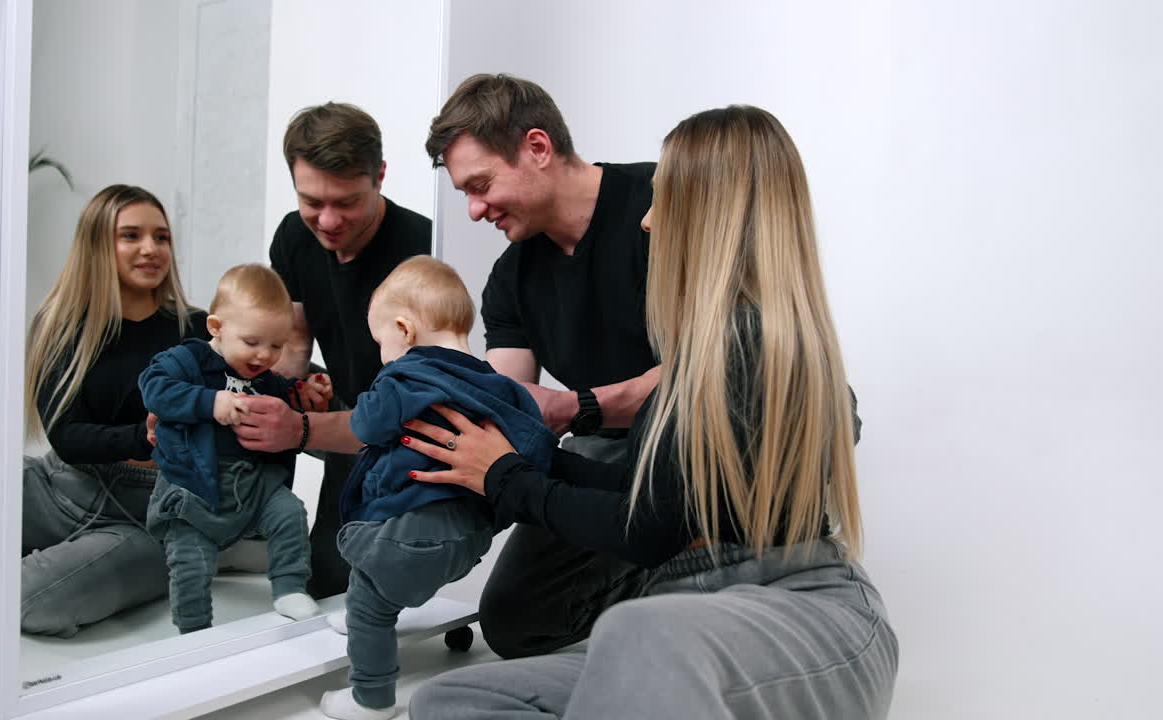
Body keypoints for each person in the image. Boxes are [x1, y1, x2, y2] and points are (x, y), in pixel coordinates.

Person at [405, 106, 898, 719]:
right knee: (450, 698)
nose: (646, 220)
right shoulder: (684, 344)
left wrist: (509, 474)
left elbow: (649, 527)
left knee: (636, 633)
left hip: (791, 598)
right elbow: (653, 494)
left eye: (662, 201)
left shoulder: (754, 341)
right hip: (688, 588)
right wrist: (512, 453)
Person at [423, 73, 660, 658]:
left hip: (709, 439)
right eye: (465, 194)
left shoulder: (664, 205)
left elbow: (723, 365)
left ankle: (703, 562)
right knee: (514, 621)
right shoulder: (511, 280)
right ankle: (675, 575)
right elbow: (509, 399)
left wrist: (582, 407)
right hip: (605, 452)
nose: (475, 210)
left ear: (537, 147)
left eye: (480, 185)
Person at [318, 256, 557, 720]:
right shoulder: (499, 385)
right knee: (389, 573)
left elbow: (366, 426)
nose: (381, 353)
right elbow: (537, 445)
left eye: (380, 341)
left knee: (369, 599)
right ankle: (379, 606)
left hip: (411, 530)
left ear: (404, 330)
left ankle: (370, 698)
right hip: (470, 536)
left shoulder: (408, 376)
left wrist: (377, 389)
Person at [241, 102, 433, 599]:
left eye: (346, 202)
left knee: (349, 579)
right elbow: (297, 333)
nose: (327, 220)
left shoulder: (423, 247)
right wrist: (289, 388)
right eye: (311, 201)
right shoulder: (292, 236)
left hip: (409, 425)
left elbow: (419, 395)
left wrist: (303, 426)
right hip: (345, 404)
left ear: (380, 176)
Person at [21, 184, 208, 637]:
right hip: (63, 486)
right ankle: (59, 546)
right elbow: (67, 437)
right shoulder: (60, 324)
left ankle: (68, 556)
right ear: (98, 245)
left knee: (28, 603)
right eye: (131, 236)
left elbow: (263, 370)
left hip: (148, 513)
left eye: (161, 237)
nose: (151, 249)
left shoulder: (199, 329)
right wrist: (143, 434)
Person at [138, 264, 328, 633]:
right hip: (194, 487)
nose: (264, 356)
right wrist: (210, 402)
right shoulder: (189, 360)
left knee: (290, 513)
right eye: (252, 343)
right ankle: (194, 630)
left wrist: (302, 396)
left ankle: (289, 588)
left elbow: (278, 407)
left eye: (276, 345)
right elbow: (153, 386)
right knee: (190, 562)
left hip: (254, 485)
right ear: (216, 328)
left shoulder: (265, 378)